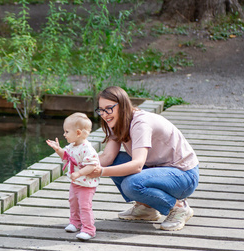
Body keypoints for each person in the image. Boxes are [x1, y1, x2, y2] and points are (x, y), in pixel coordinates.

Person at [88, 86, 199, 231]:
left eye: (109, 108)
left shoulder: (141, 123)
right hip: (158, 171)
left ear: (122, 106)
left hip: (184, 176)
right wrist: (78, 164)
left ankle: (178, 207)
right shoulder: (115, 121)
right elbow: (107, 157)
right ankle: (146, 208)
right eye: (101, 110)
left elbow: (137, 165)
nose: (104, 114)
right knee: (115, 161)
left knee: (131, 184)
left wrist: (100, 171)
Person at [46, 113, 100, 241]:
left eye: (66, 131)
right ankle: (75, 222)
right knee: (73, 203)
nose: (64, 134)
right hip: (75, 182)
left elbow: (92, 166)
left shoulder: (87, 149)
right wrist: (58, 149)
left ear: (78, 132)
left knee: (84, 206)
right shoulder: (73, 146)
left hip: (86, 184)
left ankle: (89, 229)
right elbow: (66, 156)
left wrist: (79, 173)